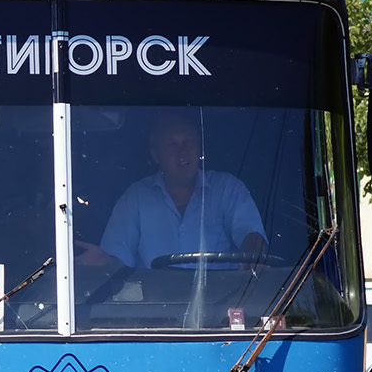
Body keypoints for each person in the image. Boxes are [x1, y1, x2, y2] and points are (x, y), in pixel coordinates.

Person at [76, 113, 267, 269]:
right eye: (172, 145)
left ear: (200, 148)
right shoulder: (135, 197)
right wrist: (104, 263)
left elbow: (253, 238)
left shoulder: (227, 188)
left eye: (188, 142)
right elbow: (116, 264)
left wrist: (251, 265)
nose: (182, 151)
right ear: (155, 155)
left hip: (222, 308)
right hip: (152, 312)